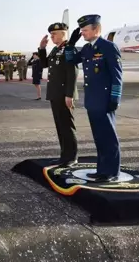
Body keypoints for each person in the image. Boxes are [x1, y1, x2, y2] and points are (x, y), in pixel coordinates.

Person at [65, 14, 123, 182]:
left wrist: (115, 98)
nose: (82, 33)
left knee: (109, 137)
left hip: (105, 100)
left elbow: (117, 75)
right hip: (92, 101)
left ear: (96, 29)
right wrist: (70, 44)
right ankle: (102, 170)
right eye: (81, 30)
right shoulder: (87, 48)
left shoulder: (108, 47)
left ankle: (112, 172)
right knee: (99, 137)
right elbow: (71, 61)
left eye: (85, 30)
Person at [38, 23, 79, 166]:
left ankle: (72, 157)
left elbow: (72, 72)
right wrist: (42, 48)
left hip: (64, 94)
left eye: (54, 34)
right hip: (55, 93)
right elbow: (45, 64)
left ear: (63, 34)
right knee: (60, 126)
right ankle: (64, 155)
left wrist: (70, 94)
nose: (51, 37)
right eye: (51, 34)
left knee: (67, 126)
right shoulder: (56, 49)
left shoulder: (69, 49)